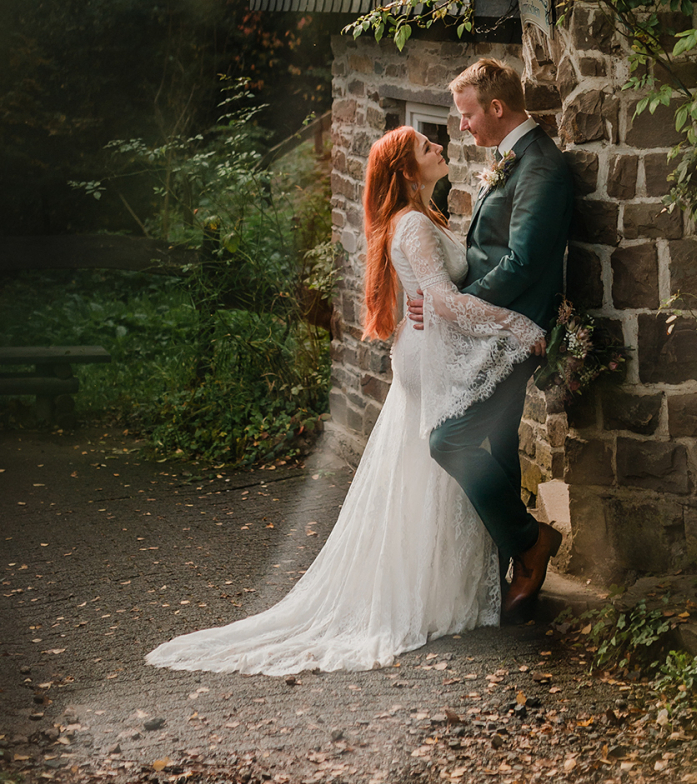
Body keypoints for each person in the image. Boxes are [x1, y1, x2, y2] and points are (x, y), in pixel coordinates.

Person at [144, 124, 545, 676]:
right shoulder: (413, 226)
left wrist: (428, 304)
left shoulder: (421, 219)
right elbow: (446, 301)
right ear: (407, 172)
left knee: (434, 468)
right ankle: (472, 573)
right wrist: (517, 325)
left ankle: (479, 567)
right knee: (445, 459)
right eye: (426, 148)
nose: (439, 148)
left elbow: (432, 294)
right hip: (427, 360)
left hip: (426, 350)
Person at [410, 58, 573, 619]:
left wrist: (461, 310)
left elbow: (524, 262)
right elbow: (488, 249)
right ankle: (505, 568)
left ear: (497, 109)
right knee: (499, 447)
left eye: (467, 115)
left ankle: (531, 544)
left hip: (512, 334)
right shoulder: (510, 160)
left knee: (448, 441)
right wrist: (442, 298)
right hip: (488, 327)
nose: (462, 127)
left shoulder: (542, 168)